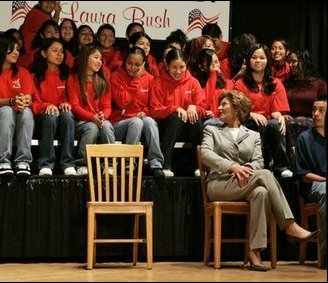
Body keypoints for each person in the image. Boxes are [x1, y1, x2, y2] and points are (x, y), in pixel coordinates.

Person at [201, 90, 319, 272]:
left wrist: (246, 171)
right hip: (219, 184)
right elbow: (205, 154)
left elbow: (258, 161)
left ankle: (254, 252)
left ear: (237, 108)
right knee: (265, 174)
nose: (219, 108)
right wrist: (232, 166)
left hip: (245, 182)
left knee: (261, 192)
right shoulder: (212, 130)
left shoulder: (253, 135)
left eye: (224, 104)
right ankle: (289, 225)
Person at [0, 34, 35, 175]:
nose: (17, 53)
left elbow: (28, 98)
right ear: (2, 50)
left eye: (18, 49)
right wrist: (12, 101)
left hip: (18, 117)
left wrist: (22, 101)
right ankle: (2, 162)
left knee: (27, 111)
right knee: (6, 111)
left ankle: (23, 161)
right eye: (12, 49)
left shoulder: (23, 73)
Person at [235, 44, 293, 178]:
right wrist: (251, 114)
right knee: (258, 124)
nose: (258, 61)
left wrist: (280, 117)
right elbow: (237, 110)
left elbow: (276, 111)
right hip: (247, 123)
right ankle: (259, 164)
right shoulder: (240, 83)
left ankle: (281, 167)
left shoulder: (276, 83)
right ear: (248, 61)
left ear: (268, 61)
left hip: (268, 123)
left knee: (276, 124)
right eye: (254, 57)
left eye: (262, 58)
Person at [150, 48, 206, 177]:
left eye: (182, 67)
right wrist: (174, 109)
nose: (178, 71)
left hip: (188, 127)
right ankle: (166, 165)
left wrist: (194, 107)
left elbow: (203, 108)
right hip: (167, 126)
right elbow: (154, 110)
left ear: (186, 65)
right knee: (177, 117)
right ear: (166, 65)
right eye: (174, 67)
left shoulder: (193, 82)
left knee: (195, 118)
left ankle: (199, 166)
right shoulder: (158, 83)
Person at [110, 47, 164, 177]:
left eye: (137, 65)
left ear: (144, 64)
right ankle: (129, 162)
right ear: (124, 61)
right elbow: (122, 102)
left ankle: (156, 163)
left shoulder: (150, 79)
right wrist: (136, 80)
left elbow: (154, 105)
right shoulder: (116, 76)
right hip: (120, 122)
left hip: (140, 118)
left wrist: (145, 111)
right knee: (137, 122)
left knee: (150, 122)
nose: (132, 67)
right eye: (129, 63)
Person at [30, 38, 76, 176]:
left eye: (61, 51)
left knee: (68, 115)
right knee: (50, 116)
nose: (59, 54)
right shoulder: (34, 75)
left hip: (61, 117)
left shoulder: (67, 74)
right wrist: (47, 106)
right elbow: (33, 102)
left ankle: (68, 163)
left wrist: (66, 104)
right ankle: (45, 164)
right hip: (42, 119)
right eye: (54, 51)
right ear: (44, 53)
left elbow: (72, 98)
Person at [67, 44, 115, 175]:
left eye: (101, 59)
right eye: (96, 57)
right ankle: (82, 163)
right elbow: (75, 106)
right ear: (85, 58)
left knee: (106, 125)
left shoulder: (102, 80)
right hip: (81, 123)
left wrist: (102, 116)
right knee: (91, 128)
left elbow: (107, 106)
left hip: (99, 120)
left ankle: (109, 164)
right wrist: (91, 117)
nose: (99, 62)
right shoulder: (73, 79)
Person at [295, 95, 327, 262]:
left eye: (321, 110)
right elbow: (303, 174)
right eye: (314, 110)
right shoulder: (304, 139)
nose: (315, 114)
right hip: (314, 185)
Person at [284, 49, 327, 154]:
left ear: (303, 62)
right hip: (289, 122)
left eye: (294, 61)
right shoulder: (287, 83)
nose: (290, 65)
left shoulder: (319, 84)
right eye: (289, 62)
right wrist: (283, 114)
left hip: (312, 121)